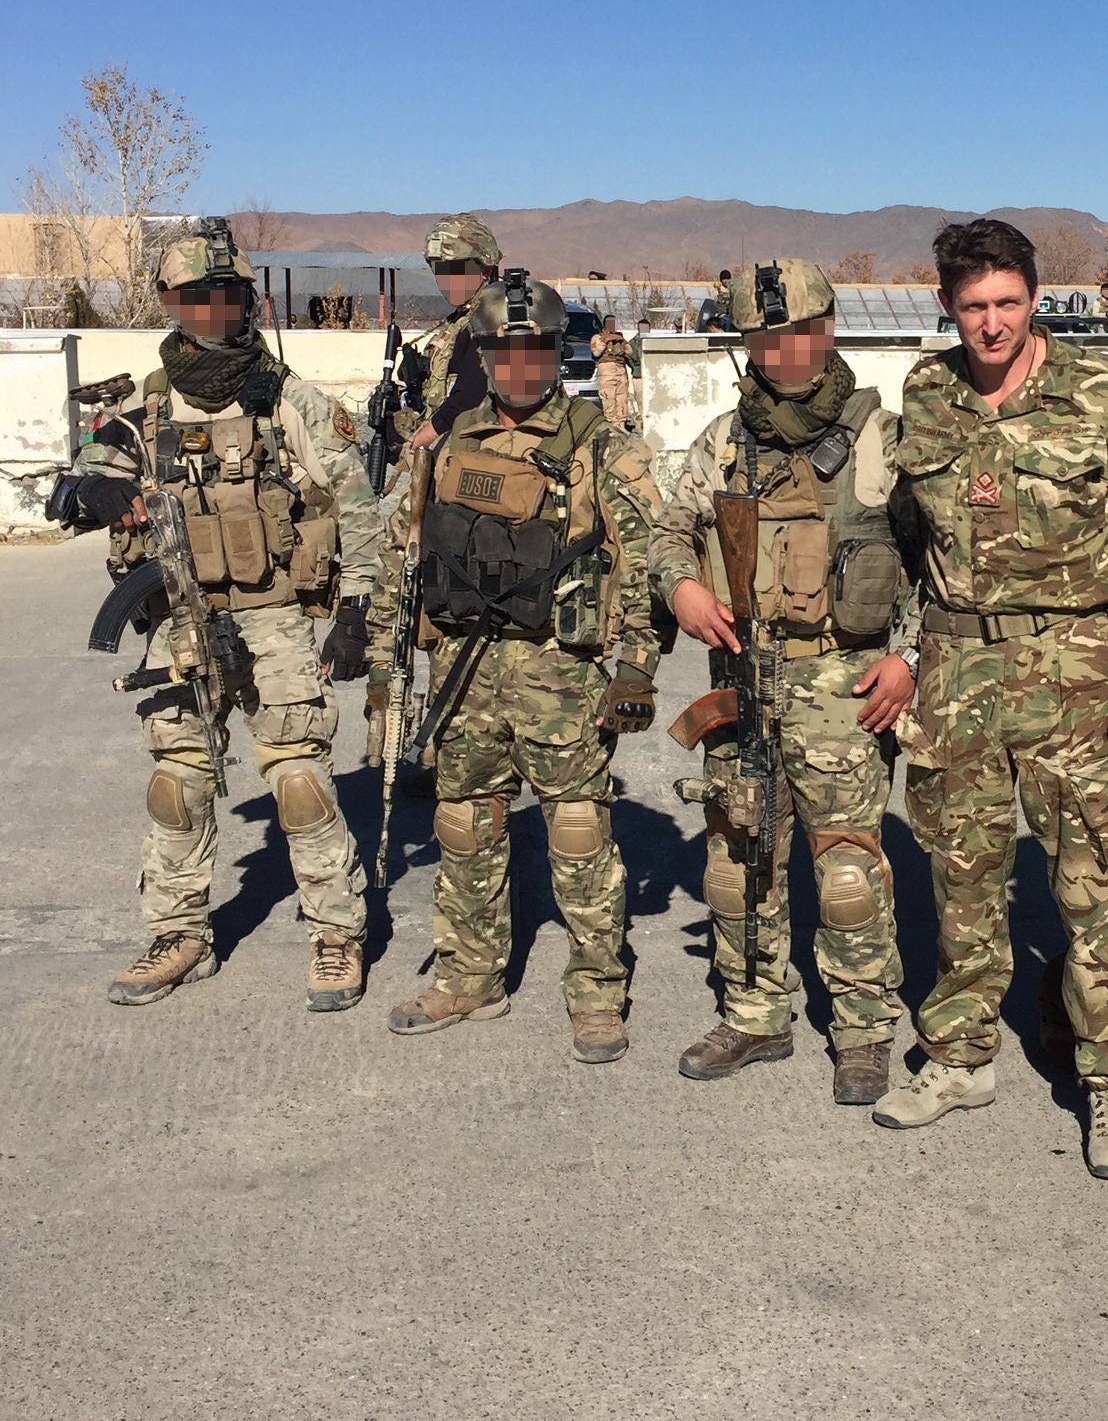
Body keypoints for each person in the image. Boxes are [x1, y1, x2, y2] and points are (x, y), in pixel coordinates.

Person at [872, 217, 1108, 1181]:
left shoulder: (1104, 388)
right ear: (948, 309)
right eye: (972, 307)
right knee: (962, 877)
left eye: (1007, 303)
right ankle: (959, 1056)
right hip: (957, 672)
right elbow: (915, 537)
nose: (990, 324)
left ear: (1034, 298)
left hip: (1068, 670)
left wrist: (1107, 555)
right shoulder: (929, 391)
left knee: (1090, 883)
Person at [47, 219, 379, 1012]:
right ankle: (180, 933)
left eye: (225, 296)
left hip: (274, 618)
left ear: (246, 300)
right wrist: (93, 490)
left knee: (298, 780)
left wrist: (360, 611)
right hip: (178, 621)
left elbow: (361, 509)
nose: (212, 311)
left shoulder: (289, 399)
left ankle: (336, 934)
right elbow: (70, 488)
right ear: (170, 302)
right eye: (194, 298)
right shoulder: (141, 407)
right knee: (177, 783)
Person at [367, 271, 665, 1064]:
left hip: (562, 679)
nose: (521, 366)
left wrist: (634, 667)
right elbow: (400, 563)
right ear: (486, 353)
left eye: (535, 349)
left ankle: (597, 991)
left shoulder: (603, 447)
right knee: (465, 827)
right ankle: (470, 975)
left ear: (554, 350)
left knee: (577, 832)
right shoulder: (448, 440)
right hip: (463, 674)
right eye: (505, 349)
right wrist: (381, 671)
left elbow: (644, 563)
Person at [651, 258, 916, 1104]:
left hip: (841, 688)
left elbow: (942, 561)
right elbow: (667, 532)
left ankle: (864, 1030)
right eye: (767, 338)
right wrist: (681, 586)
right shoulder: (725, 442)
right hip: (743, 682)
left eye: (800, 333)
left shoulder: (882, 438)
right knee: (739, 860)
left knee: (846, 872)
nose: (785, 351)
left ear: (829, 330)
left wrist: (906, 656)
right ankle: (756, 1012)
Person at [398, 213, 501, 458]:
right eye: (439, 270)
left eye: (455, 269)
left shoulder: (493, 318)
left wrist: (425, 435)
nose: (445, 280)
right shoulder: (461, 318)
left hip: (476, 449)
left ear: (484, 268)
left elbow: (472, 393)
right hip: (454, 444)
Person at [593, 313, 635, 431]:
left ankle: (621, 425)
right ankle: (611, 426)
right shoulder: (598, 337)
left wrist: (622, 342)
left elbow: (629, 352)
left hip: (620, 371)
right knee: (608, 399)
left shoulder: (620, 337)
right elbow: (596, 352)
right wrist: (605, 340)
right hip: (607, 371)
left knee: (622, 399)